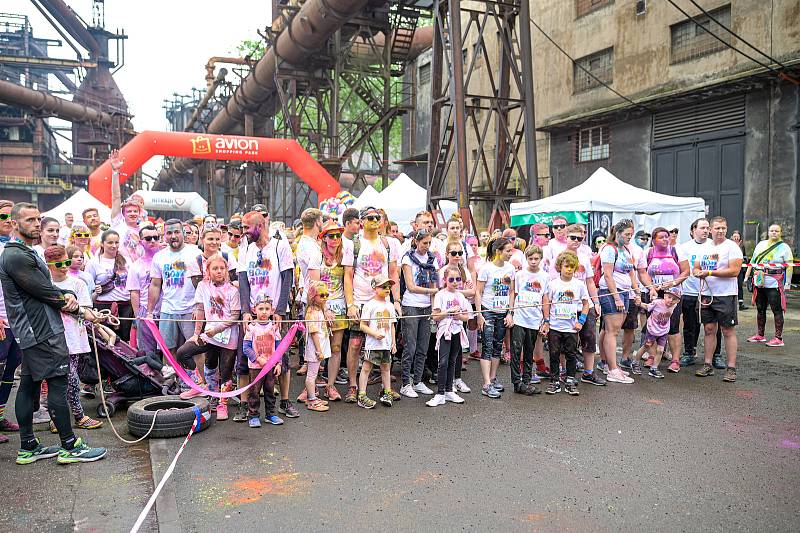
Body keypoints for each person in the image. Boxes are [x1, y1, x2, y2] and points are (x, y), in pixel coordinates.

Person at [0, 202, 106, 465]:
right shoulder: (15, 255)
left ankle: (28, 446)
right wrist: (73, 304)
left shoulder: (26, 251)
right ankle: (69, 446)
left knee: (28, 384)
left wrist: (68, 298)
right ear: (14, 224)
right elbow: (44, 290)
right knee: (58, 383)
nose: (36, 224)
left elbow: (45, 287)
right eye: (29, 220)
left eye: (38, 219)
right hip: (40, 331)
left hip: (35, 330)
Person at [237, 211, 297, 419]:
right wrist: (245, 310)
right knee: (246, 361)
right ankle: (246, 406)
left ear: (260, 226)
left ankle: (285, 402)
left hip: (276, 313)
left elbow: (287, 278)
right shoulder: (246, 247)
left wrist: (280, 310)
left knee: (282, 359)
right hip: (253, 313)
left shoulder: (280, 245)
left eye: (246, 227)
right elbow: (242, 279)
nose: (243, 232)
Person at [342, 206, 401, 403]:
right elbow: (348, 275)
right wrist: (350, 304)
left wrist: (397, 300)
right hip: (360, 301)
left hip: (382, 303)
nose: (374, 220)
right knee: (355, 345)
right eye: (369, 217)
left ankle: (386, 388)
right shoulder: (353, 244)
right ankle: (353, 386)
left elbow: (394, 273)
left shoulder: (390, 243)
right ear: (362, 221)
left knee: (384, 344)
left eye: (377, 217)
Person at [44, 245, 104, 431]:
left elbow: (87, 310)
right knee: (57, 380)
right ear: (48, 265)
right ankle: (60, 417)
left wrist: (77, 309)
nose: (64, 267)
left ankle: (76, 416)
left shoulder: (78, 283)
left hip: (74, 338)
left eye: (67, 262)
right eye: (59, 264)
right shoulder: (44, 285)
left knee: (72, 378)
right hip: (52, 339)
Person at [176, 254, 241, 417]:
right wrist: (196, 334)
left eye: (222, 268)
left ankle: (222, 404)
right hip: (209, 334)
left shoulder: (233, 290)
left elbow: (234, 317)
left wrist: (217, 329)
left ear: (226, 270)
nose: (219, 271)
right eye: (215, 268)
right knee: (184, 353)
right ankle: (202, 387)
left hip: (228, 336)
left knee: (226, 372)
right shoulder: (203, 286)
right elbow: (200, 309)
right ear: (208, 270)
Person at [147, 219, 202, 376]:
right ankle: (172, 381)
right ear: (164, 235)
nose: (173, 236)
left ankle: (201, 383)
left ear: (184, 233)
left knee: (195, 347)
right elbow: (155, 284)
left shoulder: (195, 252)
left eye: (177, 232)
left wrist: (199, 308)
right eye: (169, 233)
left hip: (190, 309)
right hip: (168, 309)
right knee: (167, 348)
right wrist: (150, 312)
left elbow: (203, 284)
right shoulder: (159, 257)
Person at [693, 216, 742, 382]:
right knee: (708, 329)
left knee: (727, 330)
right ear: (711, 230)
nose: (720, 231)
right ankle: (708, 364)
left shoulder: (732, 247)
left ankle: (731, 368)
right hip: (707, 294)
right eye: (717, 228)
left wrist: (710, 273)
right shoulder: (705, 248)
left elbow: (734, 271)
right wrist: (697, 272)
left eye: (723, 228)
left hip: (726, 295)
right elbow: (696, 267)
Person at [558, 224, 604, 386]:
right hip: (565, 306)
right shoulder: (559, 256)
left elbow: (590, 282)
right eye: (573, 238)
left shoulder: (584, 257)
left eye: (580, 238)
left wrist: (596, 302)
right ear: (566, 237)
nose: (577, 241)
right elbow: (552, 283)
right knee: (565, 340)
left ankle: (588, 372)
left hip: (585, 304)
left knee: (589, 338)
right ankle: (563, 371)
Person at [596, 219, 640, 384]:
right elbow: (607, 275)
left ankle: (609, 364)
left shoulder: (626, 250)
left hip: (624, 292)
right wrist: (615, 297)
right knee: (612, 331)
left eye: (631, 234)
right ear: (617, 233)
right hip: (610, 292)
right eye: (627, 234)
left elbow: (631, 273)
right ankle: (612, 369)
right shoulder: (609, 249)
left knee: (610, 330)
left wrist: (636, 292)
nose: (629, 237)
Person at [541, 250, 589, 396]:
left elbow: (586, 304)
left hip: (571, 327)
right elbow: (546, 302)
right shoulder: (553, 284)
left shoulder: (579, 285)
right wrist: (547, 321)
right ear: (560, 267)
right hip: (555, 326)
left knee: (571, 354)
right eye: (566, 266)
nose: (569, 269)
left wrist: (581, 321)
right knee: (554, 353)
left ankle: (570, 381)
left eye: (572, 267)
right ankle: (554, 381)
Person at [641, 227, 688, 373]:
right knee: (653, 326)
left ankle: (675, 360)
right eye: (661, 237)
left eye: (667, 237)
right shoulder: (648, 253)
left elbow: (686, 271)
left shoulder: (676, 251)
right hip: (654, 293)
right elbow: (642, 272)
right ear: (654, 240)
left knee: (673, 327)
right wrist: (651, 288)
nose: (665, 239)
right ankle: (652, 356)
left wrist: (673, 283)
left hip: (673, 294)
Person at [399, 229, 438, 398]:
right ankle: (405, 383)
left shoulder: (432, 259)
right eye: (424, 243)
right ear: (416, 241)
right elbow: (410, 286)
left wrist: (434, 307)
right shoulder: (408, 258)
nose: (427, 246)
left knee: (423, 346)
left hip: (426, 306)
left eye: (429, 243)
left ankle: (418, 380)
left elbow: (434, 285)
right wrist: (431, 290)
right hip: (411, 305)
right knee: (410, 346)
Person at [677, 218, 721, 368]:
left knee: (713, 325)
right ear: (693, 230)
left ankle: (716, 355)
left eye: (707, 228)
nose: (705, 231)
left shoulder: (714, 246)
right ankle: (689, 352)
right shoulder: (684, 247)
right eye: (702, 228)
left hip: (710, 292)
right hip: (690, 291)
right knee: (690, 324)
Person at [475, 237, 515, 398]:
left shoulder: (511, 268)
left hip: (502, 311)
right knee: (488, 346)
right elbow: (478, 292)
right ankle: (486, 384)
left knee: (498, 346)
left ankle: (493, 378)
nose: (510, 254)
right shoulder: (486, 269)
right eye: (508, 251)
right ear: (498, 251)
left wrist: (510, 312)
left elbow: (512, 291)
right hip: (488, 310)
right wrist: (479, 314)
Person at [427, 265, 470, 407]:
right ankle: (440, 393)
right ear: (445, 280)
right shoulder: (440, 295)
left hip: (457, 330)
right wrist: (449, 311)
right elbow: (435, 316)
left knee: (453, 360)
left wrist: (459, 316)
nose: (455, 282)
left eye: (458, 279)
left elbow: (466, 317)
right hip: (445, 331)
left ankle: (449, 390)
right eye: (451, 279)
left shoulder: (461, 295)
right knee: (443, 362)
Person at [507, 244, 547, 395]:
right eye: (530, 258)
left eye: (536, 258)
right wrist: (510, 313)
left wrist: (545, 319)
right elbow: (514, 294)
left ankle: (527, 381)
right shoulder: (519, 275)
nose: (533, 261)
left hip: (534, 318)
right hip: (519, 317)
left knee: (530, 351)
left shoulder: (545, 276)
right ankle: (517, 382)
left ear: (541, 259)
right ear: (526, 259)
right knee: (516, 351)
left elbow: (545, 298)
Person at [745, 224, 793, 347]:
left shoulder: (784, 247)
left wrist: (787, 283)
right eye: (772, 230)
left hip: (774, 282)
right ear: (768, 232)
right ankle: (760, 335)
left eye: (777, 231)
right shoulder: (761, 244)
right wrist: (747, 276)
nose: (774, 233)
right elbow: (752, 262)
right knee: (760, 308)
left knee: (776, 309)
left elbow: (789, 266)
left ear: (780, 232)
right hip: (760, 281)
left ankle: (778, 338)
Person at [242, 297, 284, 428]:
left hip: (270, 366)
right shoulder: (251, 328)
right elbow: (246, 348)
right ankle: (253, 415)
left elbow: (279, 348)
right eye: (261, 309)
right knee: (254, 391)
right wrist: (257, 359)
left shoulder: (274, 327)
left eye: (267, 309)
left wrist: (278, 363)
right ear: (254, 310)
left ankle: (270, 414)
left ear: (272, 311)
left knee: (270, 390)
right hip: (255, 367)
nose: (264, 312)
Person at [356, 274, 397, 409]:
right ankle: (361, 395)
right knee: (367, 367)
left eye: (389, 287)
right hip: (373, 344)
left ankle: (387, 392)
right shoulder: (369, 305)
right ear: (375, 288)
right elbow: (363, 325)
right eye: (383, 287)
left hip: (385, 344)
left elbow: (391, 325)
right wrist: (374, 334)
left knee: (386, 368)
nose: (387, 289)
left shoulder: (390, 305)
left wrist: (393, 343)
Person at [438, 240, 474, 393]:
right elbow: (442, 290)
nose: (457, 256)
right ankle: (445, 385)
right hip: (445, 320)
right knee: (445, 357)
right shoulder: (443, 271)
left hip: (459, 317)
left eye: (460, 253)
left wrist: (459, 294)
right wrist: (459, 292)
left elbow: (472, 292)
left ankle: (457, 379)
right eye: (454, 253)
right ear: (447, 255)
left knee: (457, 353)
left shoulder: (464, 269)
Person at [85, 230, 133, 342]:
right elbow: (88, 288)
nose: (114, 245)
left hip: (125, 306)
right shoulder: (93, 263)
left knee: (124, 341)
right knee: (104, 339)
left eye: (116, 242)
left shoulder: (127, 261)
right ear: (102, 243)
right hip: (103, 306)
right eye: (110, 242)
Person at [318, 220, 347, 401]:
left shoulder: (344, 256)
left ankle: (330, 385)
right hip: (321, 306)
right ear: (324, 238)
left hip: (339, 305)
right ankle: (310, 386)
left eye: (338, 235)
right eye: (331, 235)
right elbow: (314, 284)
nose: (335, 239)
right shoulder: (318, 256)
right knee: (319, 347)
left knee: (336, 347)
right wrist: (324, 307)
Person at [0, 200, 21, 443]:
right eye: (2, 216)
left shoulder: (17, 246)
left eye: (10, 217)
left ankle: (1, 415)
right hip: (2, 320)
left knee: (11, 368)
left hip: (18, 320)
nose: (7, 220)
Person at [126, 226, 162, 357]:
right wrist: (138, 316)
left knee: (169, 348)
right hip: (145, 310)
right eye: (148, 238)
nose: (153, 241)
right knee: (148, 350)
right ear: (141, 241)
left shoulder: (166, 259)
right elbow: (134, 292)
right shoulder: (136, 266)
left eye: (156, 238)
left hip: (166, 309)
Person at [634, 287, 682, 379]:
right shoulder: (657, 303)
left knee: (660, 350)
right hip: (652, 329)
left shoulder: (674, 305)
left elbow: (673, 302)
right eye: (669, 297)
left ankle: (654, 368)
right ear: (664, 296)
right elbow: (648, 307)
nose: (671, 300)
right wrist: (639, 303)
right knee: (646, 346)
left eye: (674, 299)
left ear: (678, 302)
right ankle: (635, 362)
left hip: (663, 331)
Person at [300, 281, 331, 412]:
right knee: (311, 375)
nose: (324, 298)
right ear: (313, 296)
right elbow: (313, 333)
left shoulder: (319, 310)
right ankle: (312, 399)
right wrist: (319, 350)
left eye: (326, 295)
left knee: (313, 373)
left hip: (319, 347)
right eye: (321, 295)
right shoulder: (312, 312)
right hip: (315, 348)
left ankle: (312, 397)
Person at [731, 230, 748, 310]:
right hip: (730, 269)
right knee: (730, 285)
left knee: (739, 285)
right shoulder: (728, 245)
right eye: (734, 236)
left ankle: (741, 304)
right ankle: (731, 304)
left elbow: (744, 256)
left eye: (737, 236)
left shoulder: (742, 245)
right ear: (732, 237)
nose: (736, 238)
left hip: (740, 269)